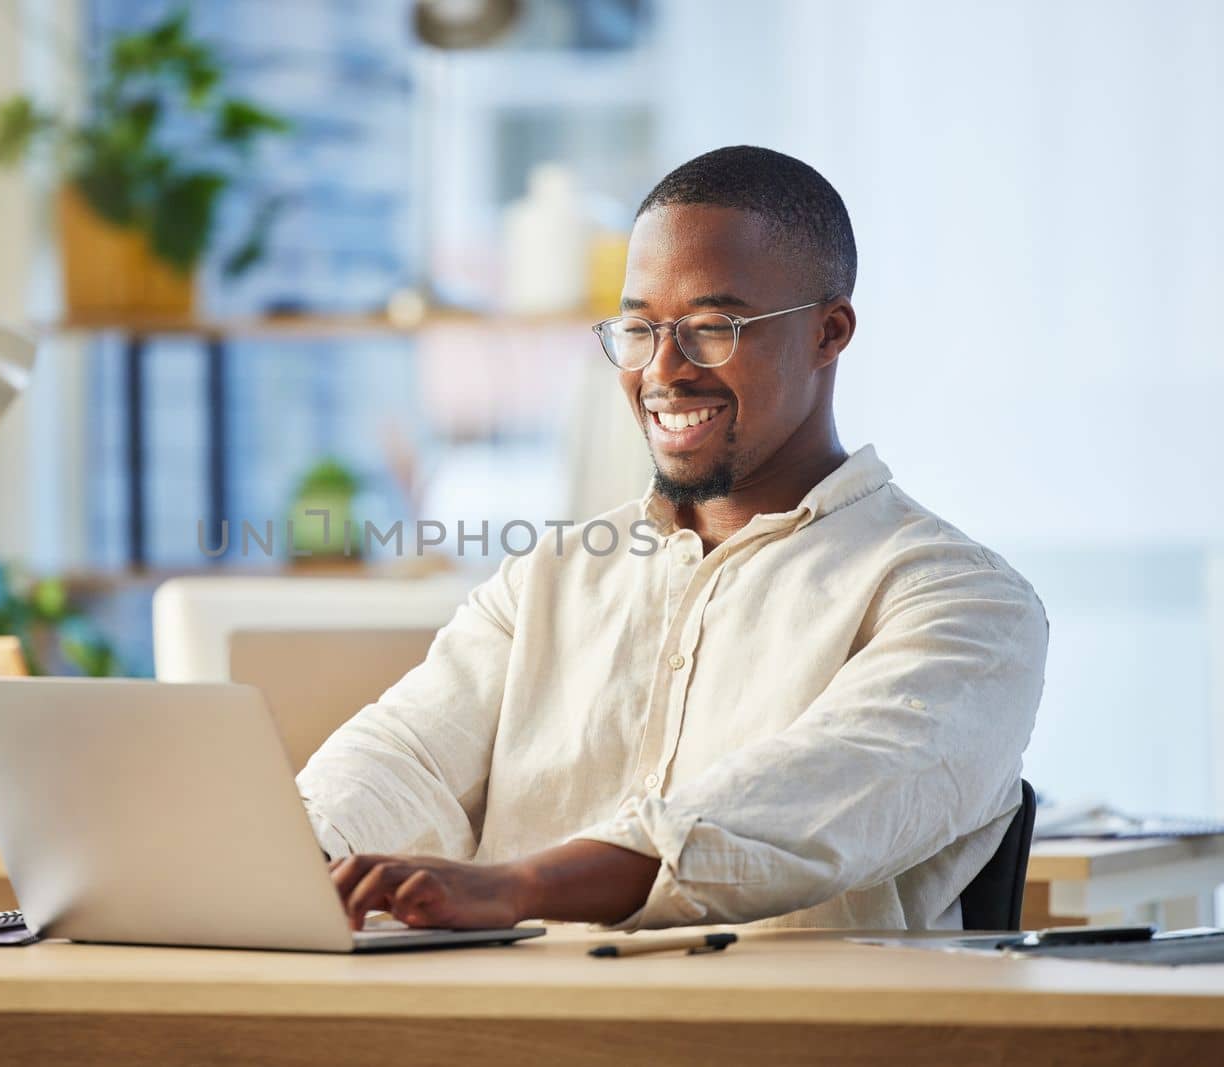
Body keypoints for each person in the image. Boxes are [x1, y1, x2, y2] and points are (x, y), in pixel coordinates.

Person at [297, 146, 1048, 932]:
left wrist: (516, 887)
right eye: (638, 327)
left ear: (830, 332)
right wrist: (300, 853)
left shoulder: (965, 603)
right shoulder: (553, 573)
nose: (663, 370)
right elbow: (405, 756)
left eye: (713, 328)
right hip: (514, 1024)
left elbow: (802, 803)